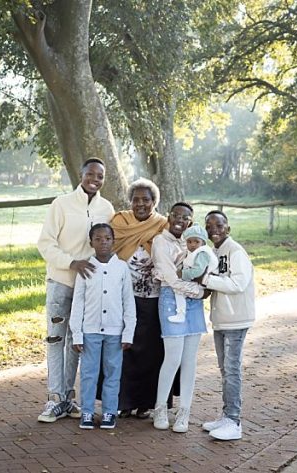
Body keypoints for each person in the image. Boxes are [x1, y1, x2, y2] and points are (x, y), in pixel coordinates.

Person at [36, 158, 115, 422]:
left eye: (100, 176)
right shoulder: (61, 204)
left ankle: (68, 399)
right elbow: (45, 243)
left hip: (89, 287)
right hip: (61, 281)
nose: (95, 179)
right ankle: (54, 399)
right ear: (81, 175)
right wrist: (71, 263)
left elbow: (108, 244)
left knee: (76, 341)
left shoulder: (106, 208)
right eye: (90, 174)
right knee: (56, 339)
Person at [109, 178, 175, 418]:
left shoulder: (163, 225)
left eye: (146, 200)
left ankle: (146, 403)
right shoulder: (119, 222)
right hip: (122, 297)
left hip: (154, 298)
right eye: (136, 199)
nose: (140, 204)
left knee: (151, 351)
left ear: (154, 202)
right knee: (124, 349)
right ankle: (124, 402)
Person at [71, 223, 136, 430]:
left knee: (113, 372)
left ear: (113, 240)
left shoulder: (122, 267)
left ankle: (109, 411)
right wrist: (77, 334)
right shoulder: (85, 268)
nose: (103, 243)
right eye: (98, 239)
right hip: (90, 330)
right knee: (89, 373)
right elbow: (78, 302)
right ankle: (87, 412)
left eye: (107, 238)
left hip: (115, 331)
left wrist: (128, 333)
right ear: (91, 242)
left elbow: (128, 301)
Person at [199, 210, 256, 441]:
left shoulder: (235, 251)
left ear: (228, 228)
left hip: (236, 319)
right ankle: (226, 415)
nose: (214, 230)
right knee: (225, 370)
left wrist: (206, 280)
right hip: (221, 319)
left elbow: (238, 283)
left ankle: (234, 421)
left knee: (232, 370)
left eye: (219, 225)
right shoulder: (214, 252)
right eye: (209, 226)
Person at [151, 203, 206, 434]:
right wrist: (200, 291)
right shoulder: (160, 241)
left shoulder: (192, 242)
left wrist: (200, 287)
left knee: (189, 360)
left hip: (192, 304)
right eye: (176, 216)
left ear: (190, 222)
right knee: (172, 357)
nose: (180, 221)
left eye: (185, 218)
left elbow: (204, 268)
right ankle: (160, 408)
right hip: (171, 299)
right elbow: (172, 279)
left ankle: (184, 411)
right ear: (169, 216)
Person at [169, 225, 217, 324]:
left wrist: (182, 274)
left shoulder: (202, 253)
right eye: (189, 242)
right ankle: (182, 313)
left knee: (178, 289)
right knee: (179, 290)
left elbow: (198, 271)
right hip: (197, 283)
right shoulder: (192, 253)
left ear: (203, 242)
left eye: (196, 242)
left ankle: (180, 314)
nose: (193, 245)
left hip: (202, 285)